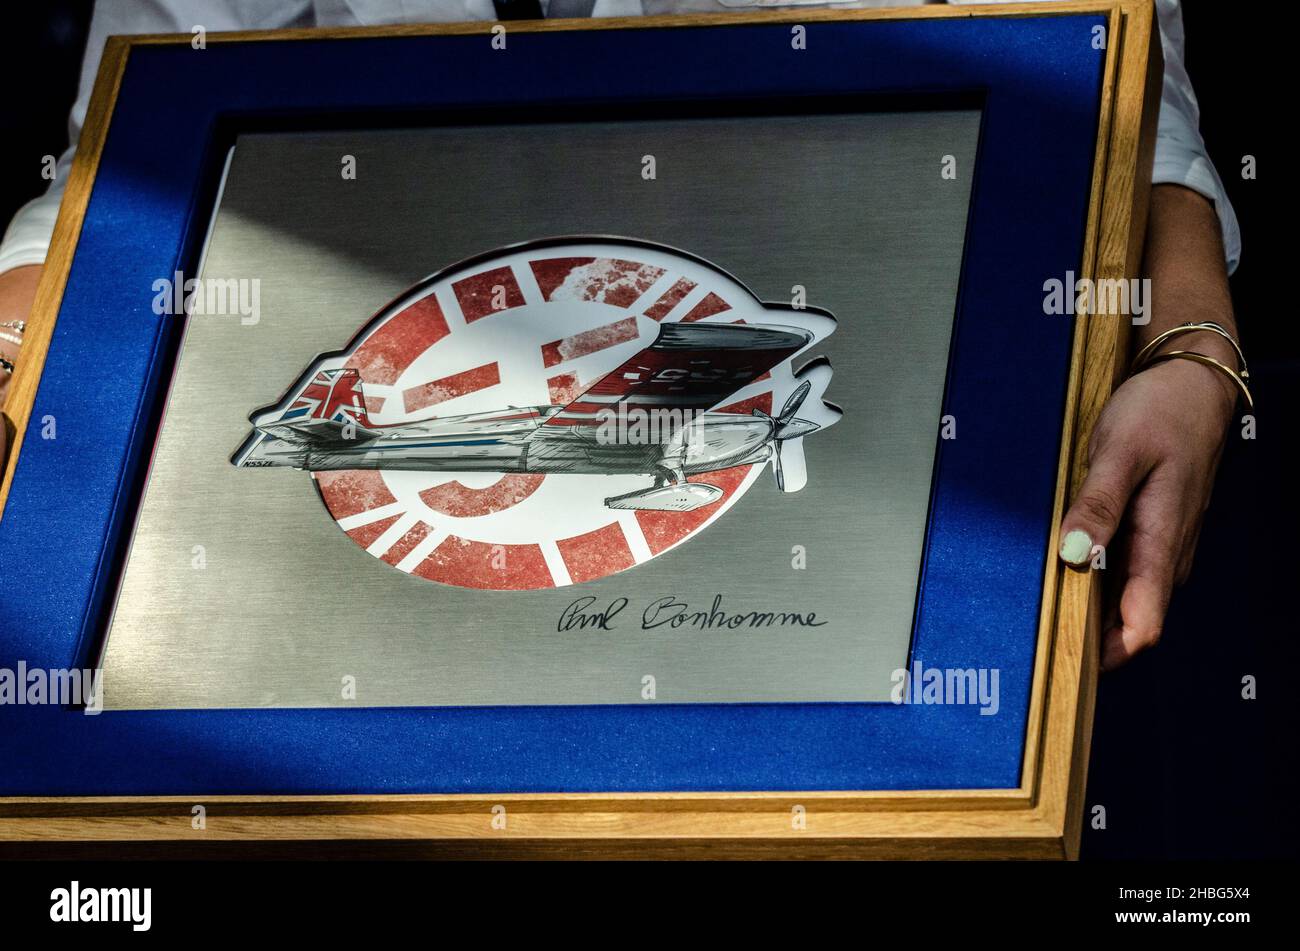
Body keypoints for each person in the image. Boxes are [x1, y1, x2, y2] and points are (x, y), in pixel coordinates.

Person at [0, 0, 1245, 671]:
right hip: (339, 606)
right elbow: (152, 123)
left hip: (906, 456)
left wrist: (1191, 342)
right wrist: (28, 347)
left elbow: (1104, 68)